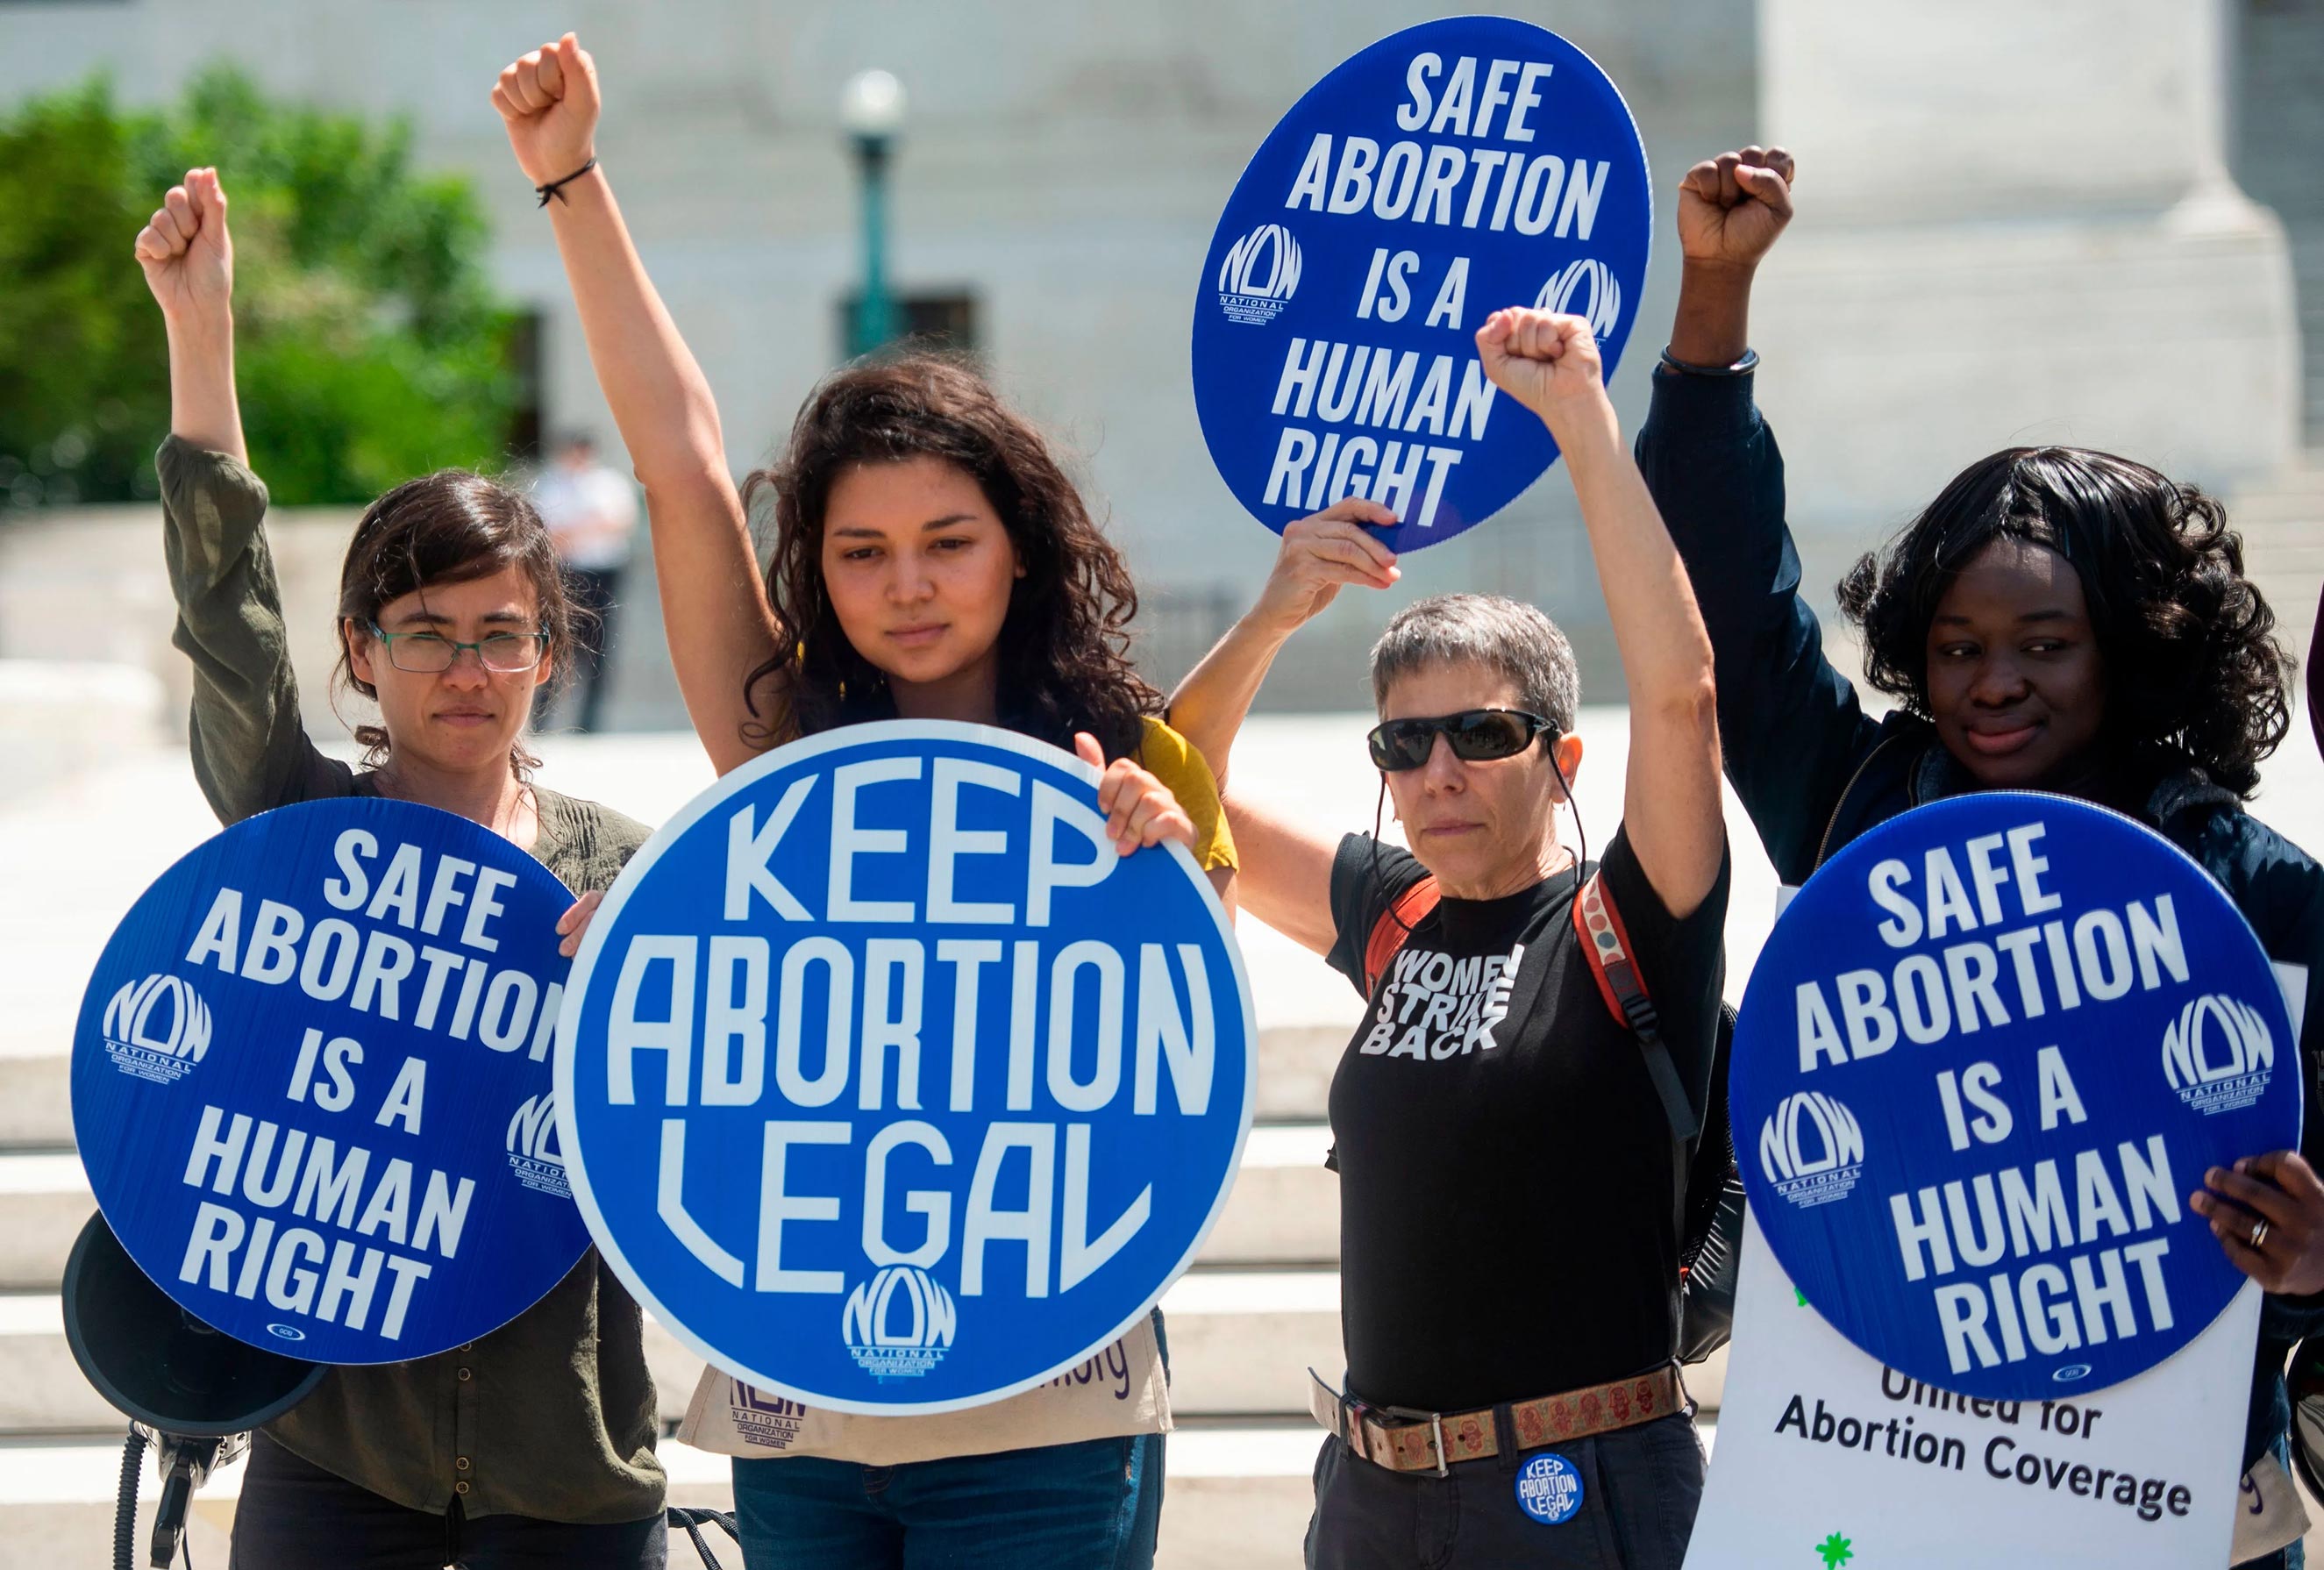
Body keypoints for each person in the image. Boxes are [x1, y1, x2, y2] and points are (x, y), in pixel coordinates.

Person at [492, 35, 1234, 1568]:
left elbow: (1176, 1045)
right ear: (816, 571)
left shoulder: (1119, 763)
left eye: (947, 541)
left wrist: (1171, 874)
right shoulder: (781, 756)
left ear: (1019, 547)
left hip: (1052, 1412)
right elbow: (684, 465)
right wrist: (568, 179)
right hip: (801, 1415)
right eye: (861, 551)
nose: (906, 585)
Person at [1637, 145, 2324, 1570]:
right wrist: (1714, 297)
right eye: (1956, 649)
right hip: (1891, 1509)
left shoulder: (2261, 895)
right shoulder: (1857, 802)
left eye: (2043, 647)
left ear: (2132, 658)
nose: (1991, 684)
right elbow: (1727, 600)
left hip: (2190, 1519)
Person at [133, 167, 667, 1568]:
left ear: (551, 651)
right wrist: (204, 337)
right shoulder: (294, 826)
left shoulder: (628, 870)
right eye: (425, 630)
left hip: (575, 1476)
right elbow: (228, 628)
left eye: (502, 633)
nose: (467, 669)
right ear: (363, 651)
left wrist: (664, 968)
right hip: (336, 1461)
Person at [1167, 307, 1729, 1569]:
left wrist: (1579, 417)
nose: (1438, 771)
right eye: (1402, 744)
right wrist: (1273, 611)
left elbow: (1682, 692)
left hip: (1578, 1488)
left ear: (1558, 757)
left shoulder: (1629, 920)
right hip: (1371, 1496)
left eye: (1480, 735)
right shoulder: (1391, 911)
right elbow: (1184, 783)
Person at [532, 432, 639, 732]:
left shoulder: (608, 483)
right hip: (565, 572)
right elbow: (546, 531)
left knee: (599, 647)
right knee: (556, 641)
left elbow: (620, 523)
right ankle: (542, 720)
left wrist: (575, 530)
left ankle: (590, 723)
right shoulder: (550, 484)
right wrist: (587, 527)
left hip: (604, 572)